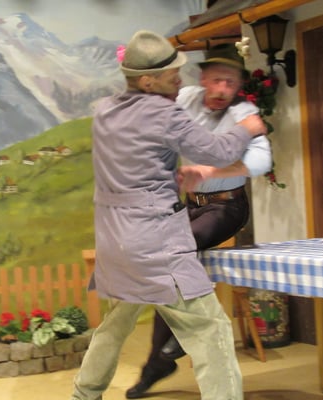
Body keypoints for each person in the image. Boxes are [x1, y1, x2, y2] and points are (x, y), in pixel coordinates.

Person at [70, 31, 265, 400]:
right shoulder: (164, 113)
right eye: (173, 75)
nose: (180, 80)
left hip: (114, 241)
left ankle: (84, 395)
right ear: (148, 81)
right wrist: (247, 128)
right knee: (210, 329)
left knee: (115, 324)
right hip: (155, 242)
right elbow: (218, 151)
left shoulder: (105, 110)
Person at [126, 43, 273, 399]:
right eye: (217, 80)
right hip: (189, 206)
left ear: (239, 86)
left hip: (227, 207)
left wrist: (211, 171)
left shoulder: (245, 113)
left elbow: (262, 162)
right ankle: (158, 361)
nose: (223, 89)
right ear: (203, 79)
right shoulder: (185, 99)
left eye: (231, 83)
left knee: (174, 253)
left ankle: (178, 340)